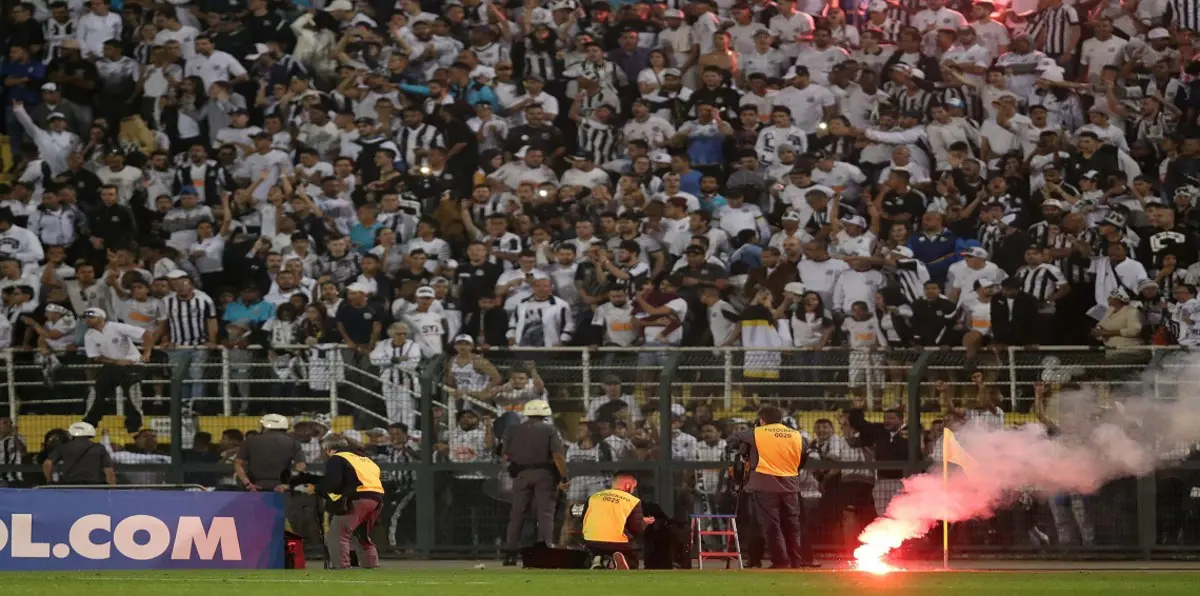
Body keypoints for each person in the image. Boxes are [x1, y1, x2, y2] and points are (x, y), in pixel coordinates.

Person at [730, 405, 818, 568]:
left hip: (765, 485)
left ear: (761, 419)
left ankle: (781, 562)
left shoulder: (757, 432)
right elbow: (804, 453)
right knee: (792, 525)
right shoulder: (796, 435)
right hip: (791, 485)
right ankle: (795, 561)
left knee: (772, 526)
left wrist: (756, 428)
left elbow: (735, 438)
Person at [501, 398, 568, 566]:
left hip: (521, 474)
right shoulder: (549, 429)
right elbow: (558, 456)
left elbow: (505, 455)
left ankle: (510, 553)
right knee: (545, 513)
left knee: (517, 514)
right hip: (544, 473)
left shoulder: (512, 429)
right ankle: (544, 551)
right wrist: (564, 477)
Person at [317, 433, 385, 570]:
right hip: (376, 499)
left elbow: (334, 484)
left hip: (357, 499)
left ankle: (341, 568)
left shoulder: (337, 458)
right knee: (362, 536)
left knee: (337, 535)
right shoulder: (365, 459)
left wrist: (319, 489)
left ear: (328, 448)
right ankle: (371, 566)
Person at [81, 307, 153, 434]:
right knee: (96, 391)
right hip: (112, 365)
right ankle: (89, 423)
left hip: (133, 363)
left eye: (91, 317)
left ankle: (134, 425)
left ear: (101, 318)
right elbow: (95, 357)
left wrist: (146, 353)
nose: (87, 320)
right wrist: (116, 362)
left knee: (132, 389)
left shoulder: (117, 327)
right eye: (86, 318)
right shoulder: (89, 335)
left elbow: (146, 333)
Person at [581, 473, 656, 570]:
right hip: (619, 544)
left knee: (599, 548)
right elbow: (637, 528)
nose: (633, 490)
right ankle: (620, 561)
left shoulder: (593, 497)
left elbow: (584, 519)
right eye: (634, 487)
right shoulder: (632, 501)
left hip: (591, 542)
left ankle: (599, 559)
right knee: (633, 560)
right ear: (627, 485)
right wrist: (644, 522)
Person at [234, 414, 305, 492]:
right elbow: (301, 466)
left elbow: (238, 464)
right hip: (281, 488)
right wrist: (287, 485)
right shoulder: (293, 443)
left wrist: (247, 484)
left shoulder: (250, 441)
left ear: (265, 426)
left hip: (255, 487)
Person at [42, 422, 115, 486]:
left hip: (68, 486)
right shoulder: (99, 448)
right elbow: (109, 471)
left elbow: (47, 464)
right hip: (93, 487)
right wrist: (112, 488)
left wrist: (49, 481)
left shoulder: (63, 447)